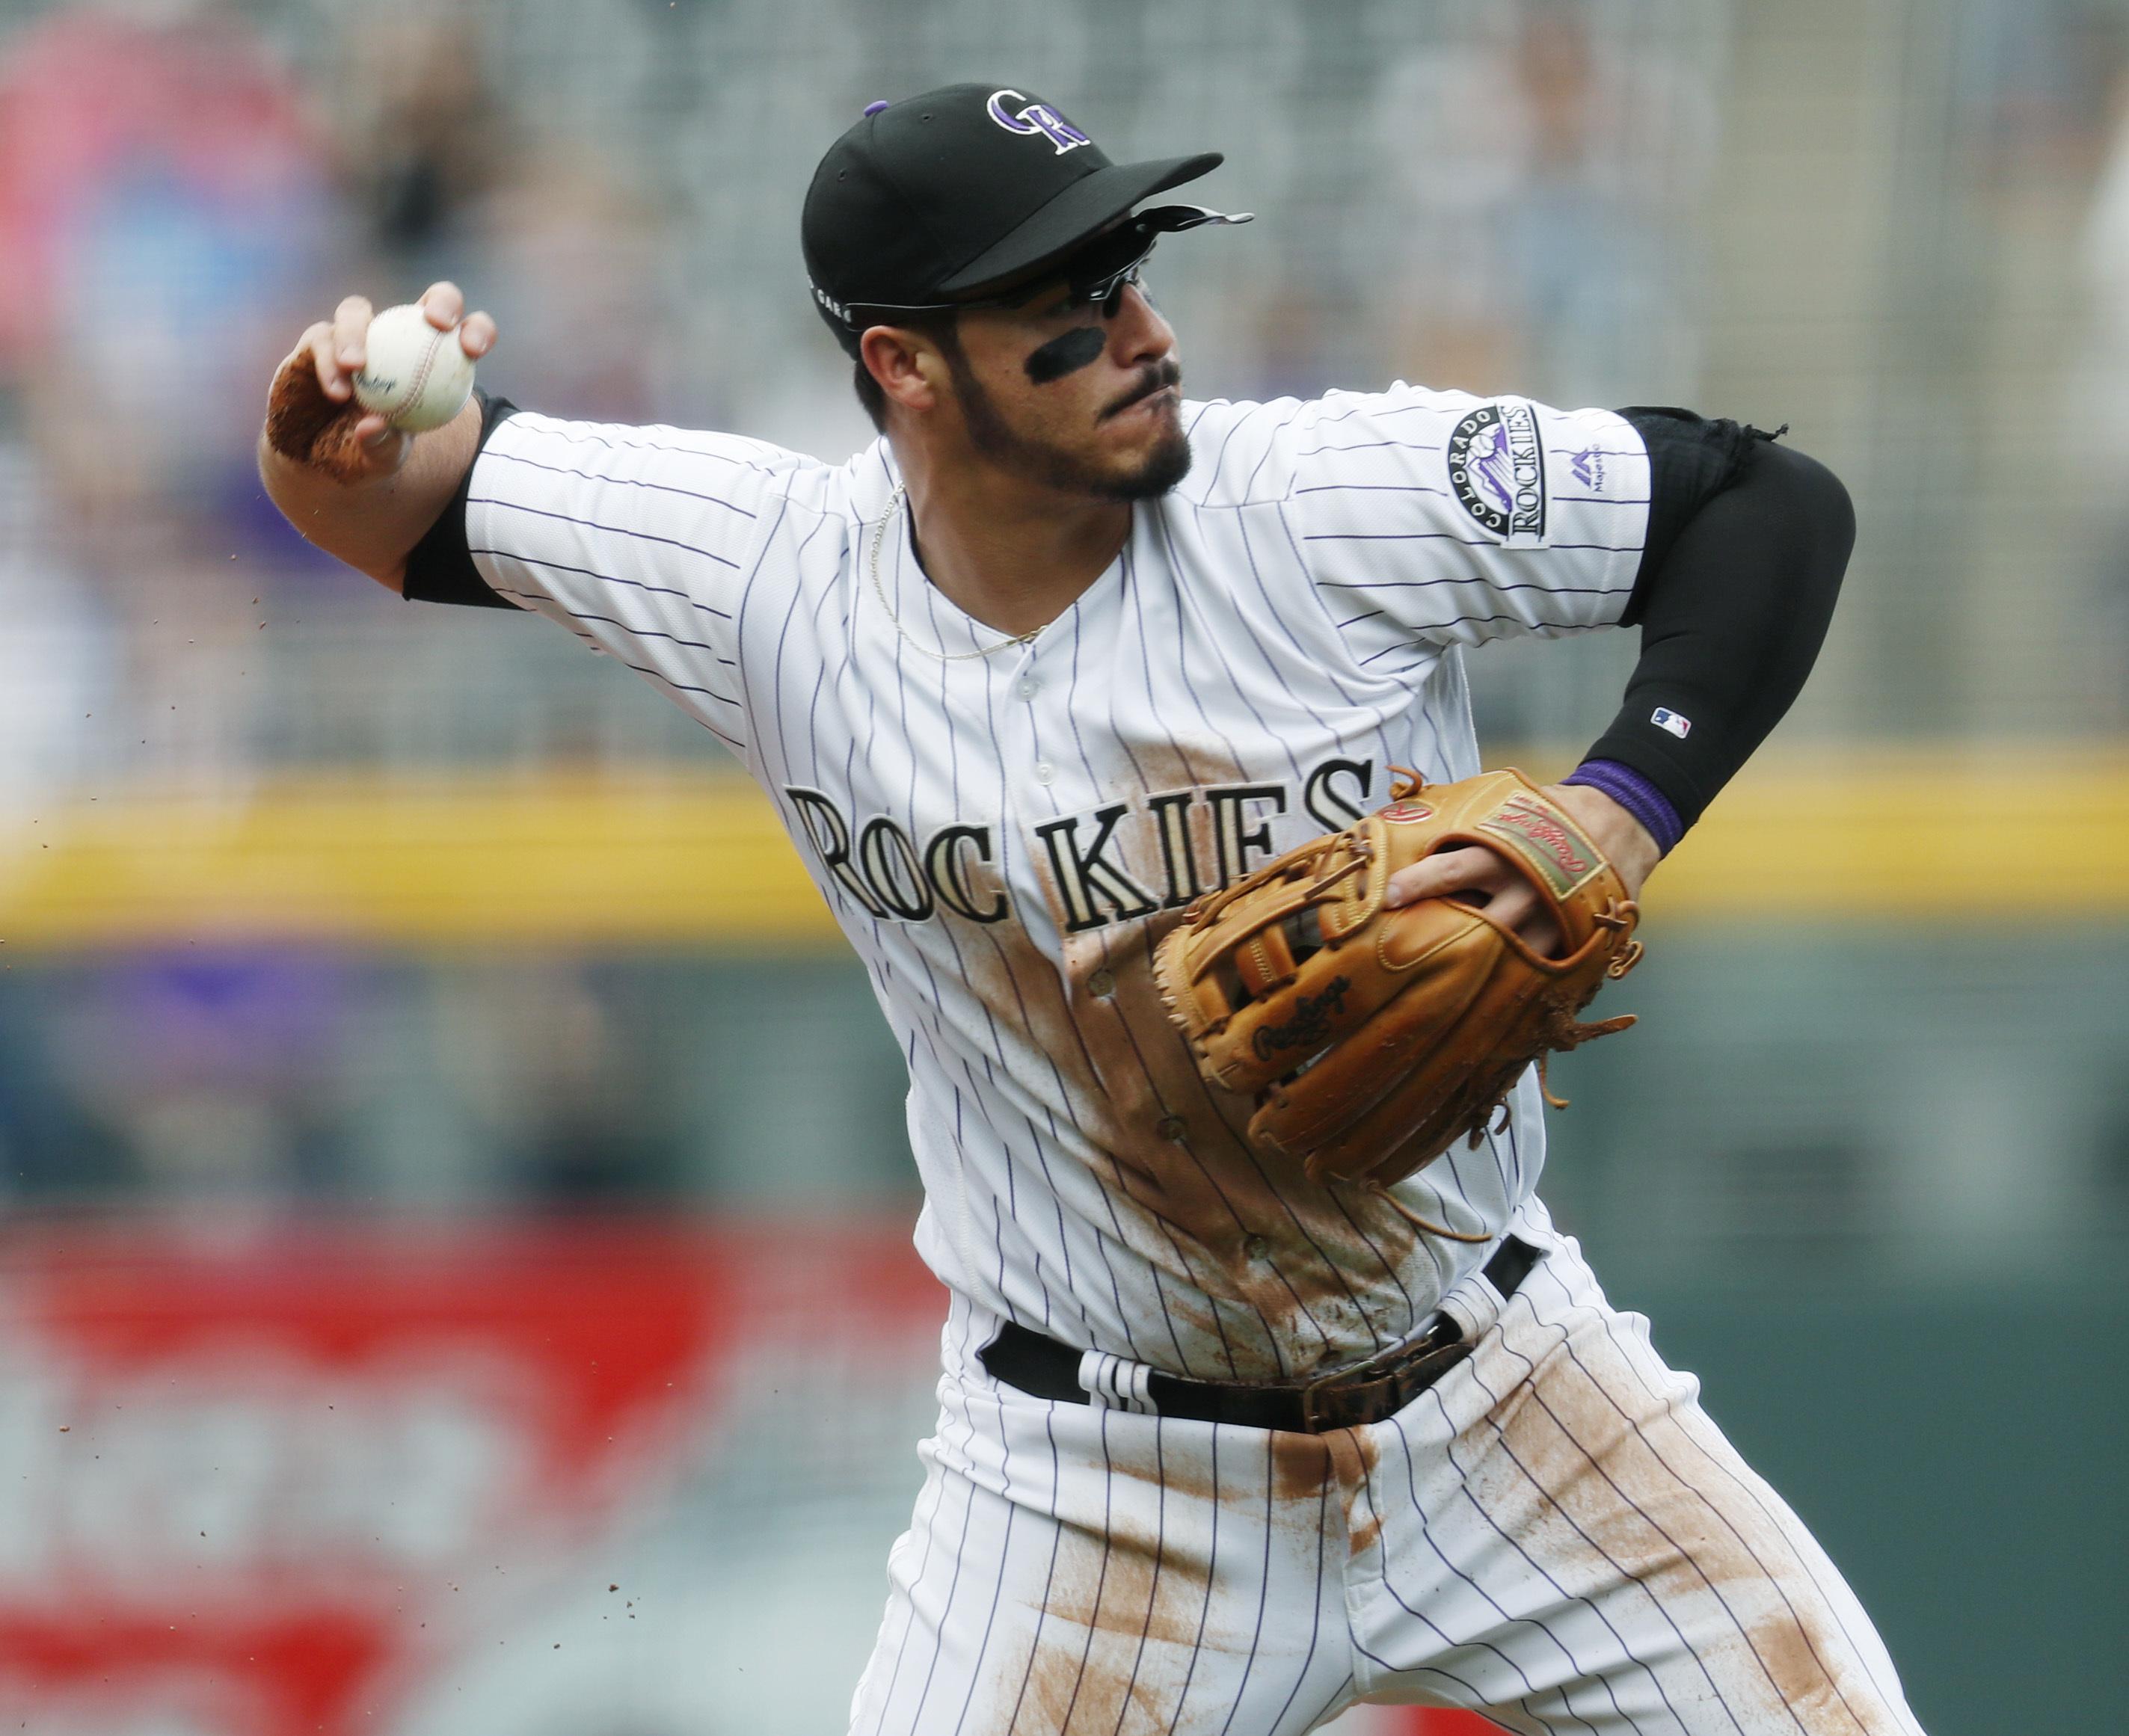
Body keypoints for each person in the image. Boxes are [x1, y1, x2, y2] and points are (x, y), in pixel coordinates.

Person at [259, 81, 1923, 1736]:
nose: (1139, 329)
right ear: (903, 365)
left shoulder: (1314, 502)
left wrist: (1617, 811)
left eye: (1129, 271)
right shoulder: (768, 576)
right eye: (1062, 306)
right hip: (1089, 1484)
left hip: (1504, 1392)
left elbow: (1762, 507)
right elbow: (389, 500)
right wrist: (331, 428)